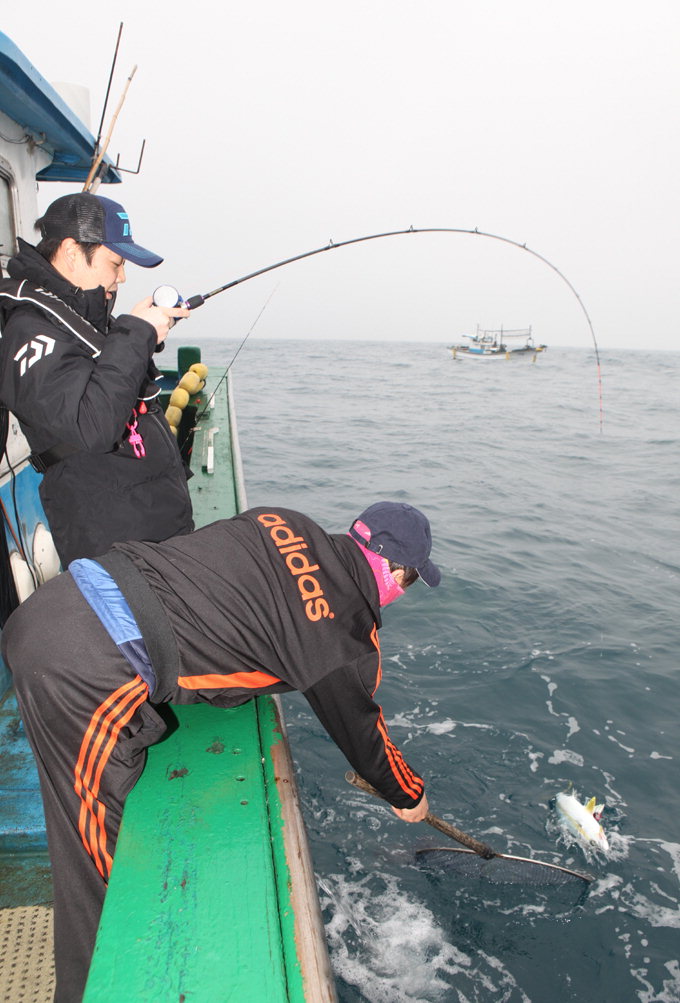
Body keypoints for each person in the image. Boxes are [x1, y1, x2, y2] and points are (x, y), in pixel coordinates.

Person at [2, 500, 439, 1001]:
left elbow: (227, 597)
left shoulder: (284, 520)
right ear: (393, 571)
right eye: (410, 581)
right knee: (95, 860)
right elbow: (363, 737)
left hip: (68, 593)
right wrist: (409, 796)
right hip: (79, 664)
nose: (403, 593)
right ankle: (91, 990)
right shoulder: (342, 636)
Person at [0, 191, 194, 566]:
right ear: (73, 252)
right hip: (117, 547)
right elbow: (92, 425)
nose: (121, 277)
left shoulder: (78, 314)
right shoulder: (29, 331)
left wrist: (141, 338)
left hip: (152, 530)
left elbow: (104, 375)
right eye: (115, 263)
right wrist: (136, 335)